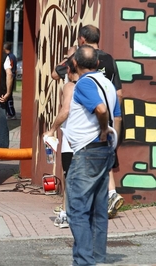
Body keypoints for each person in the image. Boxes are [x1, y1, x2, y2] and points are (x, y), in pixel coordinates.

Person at [51, 25, 124, 219]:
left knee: (76, 165)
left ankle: (71, 210)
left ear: (82, 39)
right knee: (105, 158)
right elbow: (119, 93)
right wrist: (114, 118)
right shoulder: (108, 60)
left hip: (83, 117)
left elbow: (54, 74)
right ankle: (110, 194)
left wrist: (67, 55)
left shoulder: (77, 57)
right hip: (106, 116)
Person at [63, 45, 121, 265]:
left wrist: (104, 128)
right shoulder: (107, 84)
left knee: (77, 210)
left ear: (75, 64)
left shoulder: (84, 84)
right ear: (97, 64)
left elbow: (101, 110)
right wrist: (112, 142)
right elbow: (117, 115)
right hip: (103, 151)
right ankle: (97, 257)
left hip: (87, 151)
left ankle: (84, 262)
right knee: (98, 210)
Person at [44, 56, 79, 229]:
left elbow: (65, 110)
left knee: (69, 175)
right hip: (94, 139)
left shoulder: (70, 86)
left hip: (72, 137)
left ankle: (66, 213)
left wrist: (52, 130)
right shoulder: (100, 84)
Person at [0, 44, 14, 148]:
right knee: (1, 120)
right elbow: (9, 73)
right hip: (0, 94)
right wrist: (8, 92)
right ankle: (2, 148)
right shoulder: (3, 56)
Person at [3, 43, 17, 120]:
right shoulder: (13, 56)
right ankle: (10, 113)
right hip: (12, 77)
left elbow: (9, 70)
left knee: (8, 97)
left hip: (9, 78)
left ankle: (11, 113)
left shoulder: (9, 57)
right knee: (9, 96)